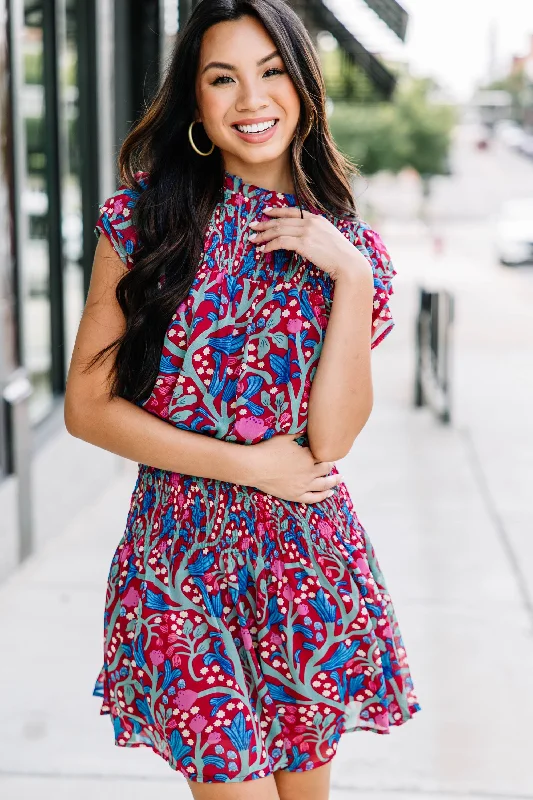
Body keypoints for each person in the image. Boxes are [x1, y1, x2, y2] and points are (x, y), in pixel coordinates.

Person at [64, 0, 421, 797]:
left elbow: (329, 440)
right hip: (176, 563)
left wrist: (350, 276)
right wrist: (248, 465)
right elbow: (86, 410)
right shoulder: (140, 224)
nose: (251, 100)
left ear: (302, 88)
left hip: (301, 562)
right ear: (195, 102)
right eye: (222, 78)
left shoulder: (350, 253)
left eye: (270, 73)